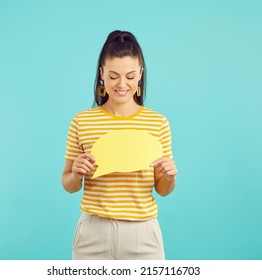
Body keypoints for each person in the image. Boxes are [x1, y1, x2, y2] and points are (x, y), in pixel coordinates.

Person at [62, 30, 177, 260]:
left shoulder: (158, 123)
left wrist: (170, 177)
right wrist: (76, 172)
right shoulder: (82, 121)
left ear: (141, 75)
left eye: (130, 76)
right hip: (92, 235)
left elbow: (162, 190)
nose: (122, 84)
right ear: (101, 73)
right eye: (113, 76)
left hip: (143, 236)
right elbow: (69, 184)